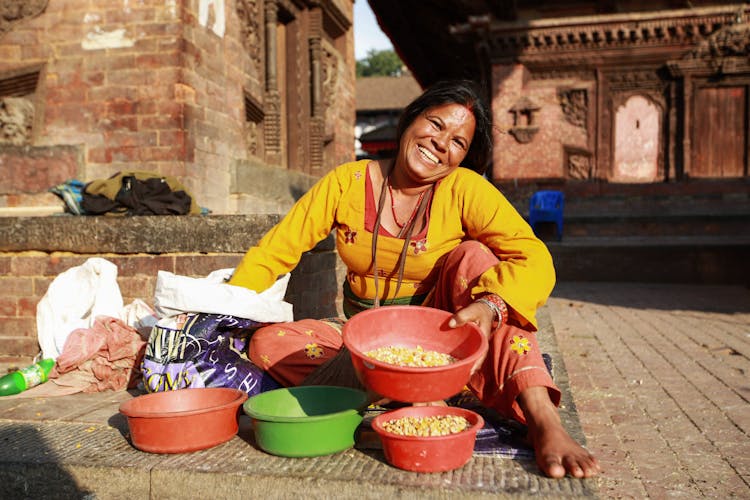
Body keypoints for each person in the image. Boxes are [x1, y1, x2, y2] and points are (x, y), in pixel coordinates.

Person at [229, 80, 600, 479]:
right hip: (363, 341)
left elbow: (534, 256)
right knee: (268, 343)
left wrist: (490, 305)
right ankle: (416, 393)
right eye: (436, 124)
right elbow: (274, 252)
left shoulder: (466, 189)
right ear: (410, 119)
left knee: (476, 259)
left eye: (458, 142)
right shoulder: (345, 183)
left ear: (462, 158)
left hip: (444, 339)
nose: (442, 143)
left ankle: (542, 419)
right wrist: (214, 313)